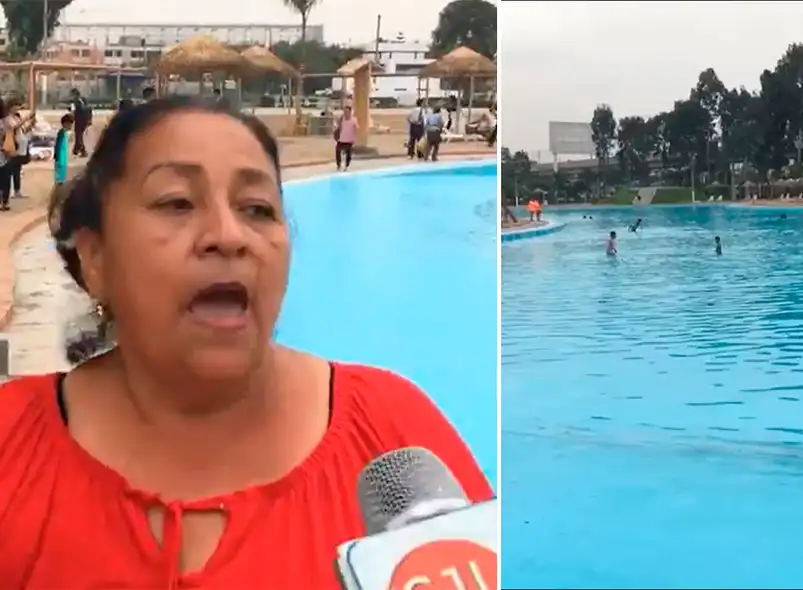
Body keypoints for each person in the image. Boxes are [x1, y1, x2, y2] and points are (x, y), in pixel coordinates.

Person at [0, 96, 492, 586]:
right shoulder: (11, 444)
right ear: (95, 258)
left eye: (257, 209)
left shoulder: (393, 432)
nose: (229, 235)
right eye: (177, 202)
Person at [10, 108, 36, 198]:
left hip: (21, 148)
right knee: (11, 170)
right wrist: (26, 118)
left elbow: (22, 131)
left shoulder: (17, 117)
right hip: (13, 148)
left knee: (17, 170)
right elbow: (15, 127)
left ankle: (17, 191)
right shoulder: (8, 119)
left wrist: (31, 124)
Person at [334, 105, 357, 171]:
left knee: (348, 153)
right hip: (341, 139)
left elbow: (355, 130)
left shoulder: (353, 120)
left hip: (349, 140)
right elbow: (339, 127)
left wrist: (354, 139)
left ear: (350, 112)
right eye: (344, 111)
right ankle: (338, 165)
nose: (346, 113)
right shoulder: (342, 119)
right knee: (337, 150)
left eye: (347, 111)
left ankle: (346, 166)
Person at [69, 88, 91, 157]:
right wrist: (89, 120)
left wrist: (71, 121)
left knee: (79, 136)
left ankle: (83, 151)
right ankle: (76, 150)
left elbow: (73, 112)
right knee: (79, 135)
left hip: (79, 120)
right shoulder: (84, 99)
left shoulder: (74, 101)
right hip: (85, 120)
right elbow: (89, 109)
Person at [53, 113, 73, 186]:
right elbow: (58, 146)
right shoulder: (61, 133)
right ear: (65, 124)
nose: (71, 126)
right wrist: (57, 157)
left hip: (63, 158)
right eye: (70, 124)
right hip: (60, 158)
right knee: (59, 179)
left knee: (62, 177)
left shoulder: (65, 133)